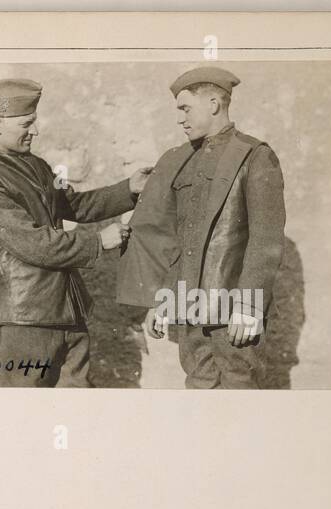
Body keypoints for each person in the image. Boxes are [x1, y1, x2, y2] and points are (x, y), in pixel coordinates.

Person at [0, 78, 149, 387]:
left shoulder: (37, 167)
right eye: (26, 124)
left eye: (34, 122)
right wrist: (98, 241)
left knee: (74, 408)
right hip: (23, 321)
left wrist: (129, 189)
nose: (35, 131)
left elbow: (76, 205)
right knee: (21, 415)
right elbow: (34, 244)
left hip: (67, 314)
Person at [118, 66, 287, 389]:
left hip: (233, 310)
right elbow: (175, 240)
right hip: (188, 305)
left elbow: (266, 239)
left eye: (185, 109)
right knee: (198, 389)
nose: (180, 119)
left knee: (238, 389)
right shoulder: (180, 161)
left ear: (213, 104)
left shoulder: (254, 156)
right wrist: (162, 300)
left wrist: (249, 305)